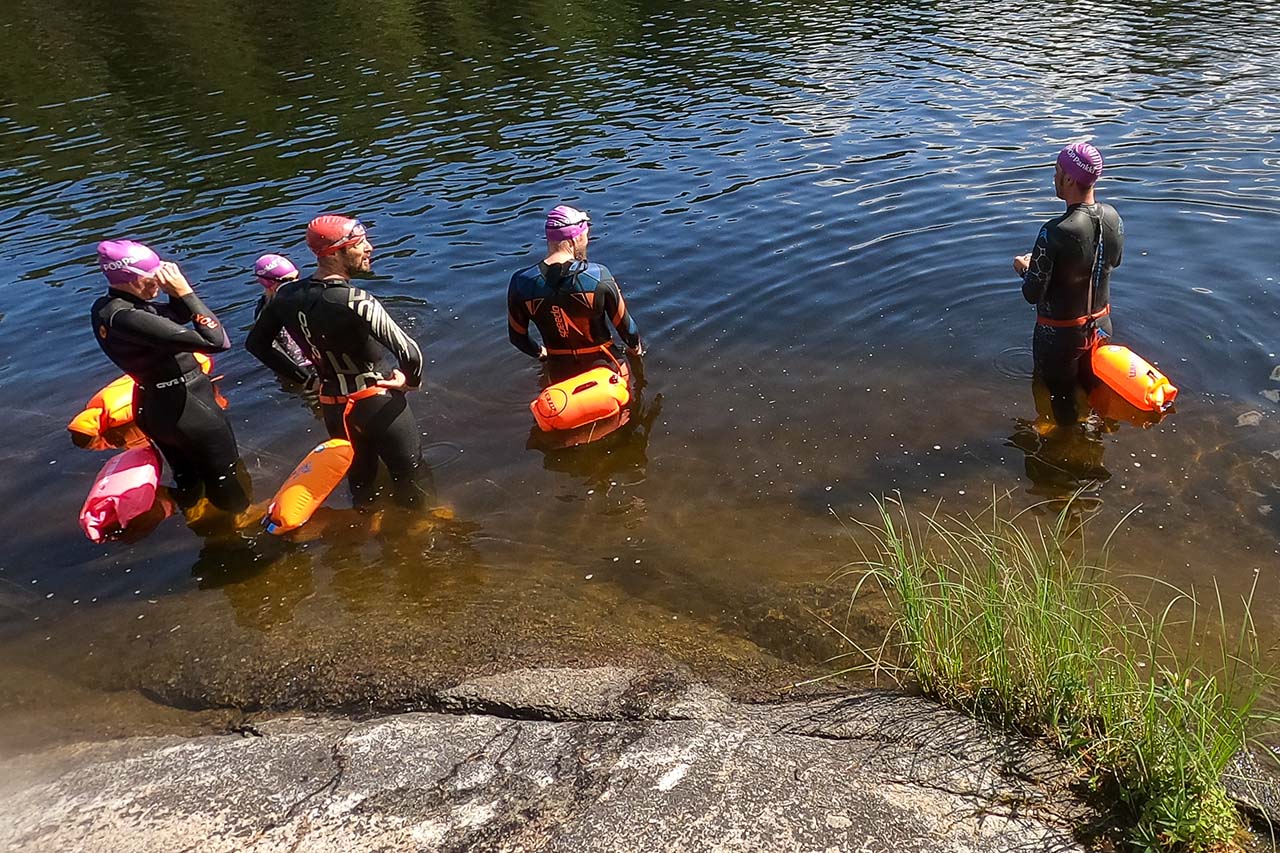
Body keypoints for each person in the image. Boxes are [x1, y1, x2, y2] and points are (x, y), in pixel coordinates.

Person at [245, 215, 428, 507]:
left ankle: (366, 521)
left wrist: (306, 380)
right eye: (359, 244)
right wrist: (410, 381)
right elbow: (410, 353)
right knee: (411, 473)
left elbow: (256, 344)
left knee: (360, 475)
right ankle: (419, 526)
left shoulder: (284, 296)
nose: (369, 248)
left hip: (333, 406)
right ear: (333, 254)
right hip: (376, 401)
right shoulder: (356, 300)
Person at [90, 240, 249, 513]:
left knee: (188, 477)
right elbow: (217, 341)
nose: (159, 282)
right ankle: (239, 525)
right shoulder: (130, 317)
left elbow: (174, 316)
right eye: (152, 277)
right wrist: (186, 291)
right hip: (188, 410)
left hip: (154, 406)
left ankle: (195, 519)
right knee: (226, 476)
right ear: (130, 278)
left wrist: (175, 293)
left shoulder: (108, 308)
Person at [1014, 142, 1124, 426]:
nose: (1054, 177)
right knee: (1094, 393)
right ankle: (1096, 437)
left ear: (1070, 179)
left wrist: (1025, 268)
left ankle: (1067, 445)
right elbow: (1114, 261)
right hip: (1102, 329)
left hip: (1059, 340)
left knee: (1060, 407)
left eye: (1057, 171)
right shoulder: (1114, 218)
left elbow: (1032, 292)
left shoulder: (1054, 232)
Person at [507, 205, 643, 383]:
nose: (587, 241)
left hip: (560, 376)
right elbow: (628, 331)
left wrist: (542, 353)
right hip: (607, 371)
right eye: (585, 236)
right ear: (574, 239)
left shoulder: (520, 282)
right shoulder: (598, 276)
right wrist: (636, 351)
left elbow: (518, 338)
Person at [251, 253, 310, 376]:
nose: (296, 283)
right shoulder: (268, 312)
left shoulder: (299, 298)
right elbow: (278, 350)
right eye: (288, 280)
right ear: (269, 283)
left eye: (297, 277)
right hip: (301, 370)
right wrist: (304, 377)